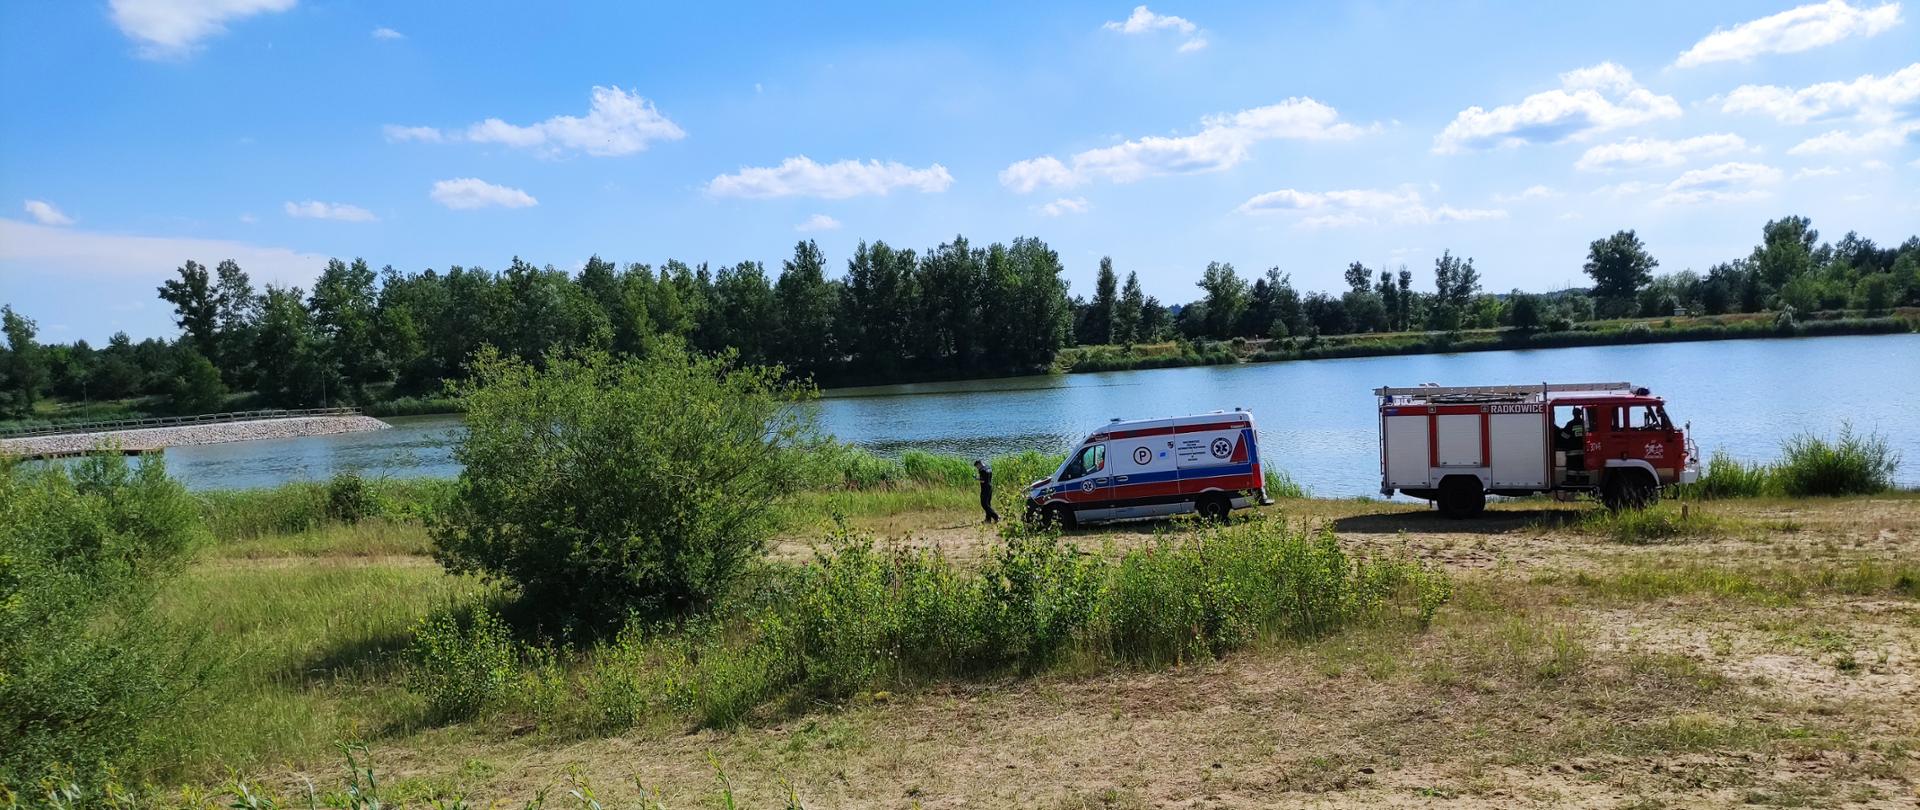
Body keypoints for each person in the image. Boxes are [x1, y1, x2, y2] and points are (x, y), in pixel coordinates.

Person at [1559, 410, 1587, 478]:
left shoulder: (1570, 424)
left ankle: (1571, 481)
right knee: (1583, 468)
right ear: (1580, 414)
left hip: (1572, 452)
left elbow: (1564, 436)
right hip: (1584, 452)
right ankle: (1584, 481)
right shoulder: (1585, 423)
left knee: (1572, 469)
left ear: (1573, 414)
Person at [974, 459, 999, 524]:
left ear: (979, 464)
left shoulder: (982, 470)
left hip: (985, 488)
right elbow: (987, 478)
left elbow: (983, 480)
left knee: (984, 504)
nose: (977, 468)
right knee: (988, 504)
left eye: (977, 467)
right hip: (990, 487)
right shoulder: (988, 468)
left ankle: (996, 516)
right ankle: (988, 520)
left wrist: (976, 478)